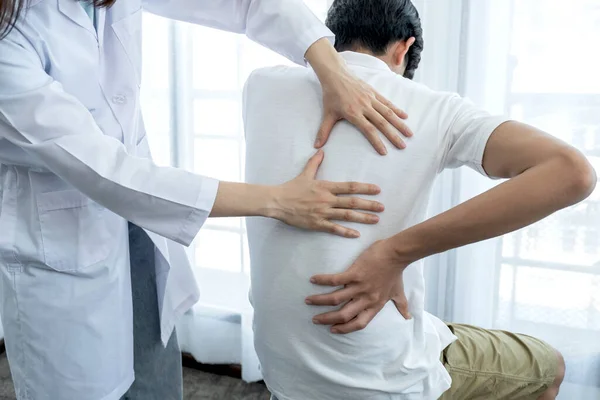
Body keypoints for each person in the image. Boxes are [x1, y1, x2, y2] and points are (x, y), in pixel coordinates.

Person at [0, 0, 414, 399]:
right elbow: (106, 172)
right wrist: (277, 201)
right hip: (62, 245)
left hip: (140, 231)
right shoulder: (8, 40)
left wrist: (331, 68)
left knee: (155, 377)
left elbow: (243, 3)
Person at [243, 0, 597, 399]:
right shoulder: (435, 108)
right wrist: (394, 254)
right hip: (381, 376)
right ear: (403, 49)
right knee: (549, 367)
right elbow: (572, 173)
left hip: (284, 371)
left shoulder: (261, 85)